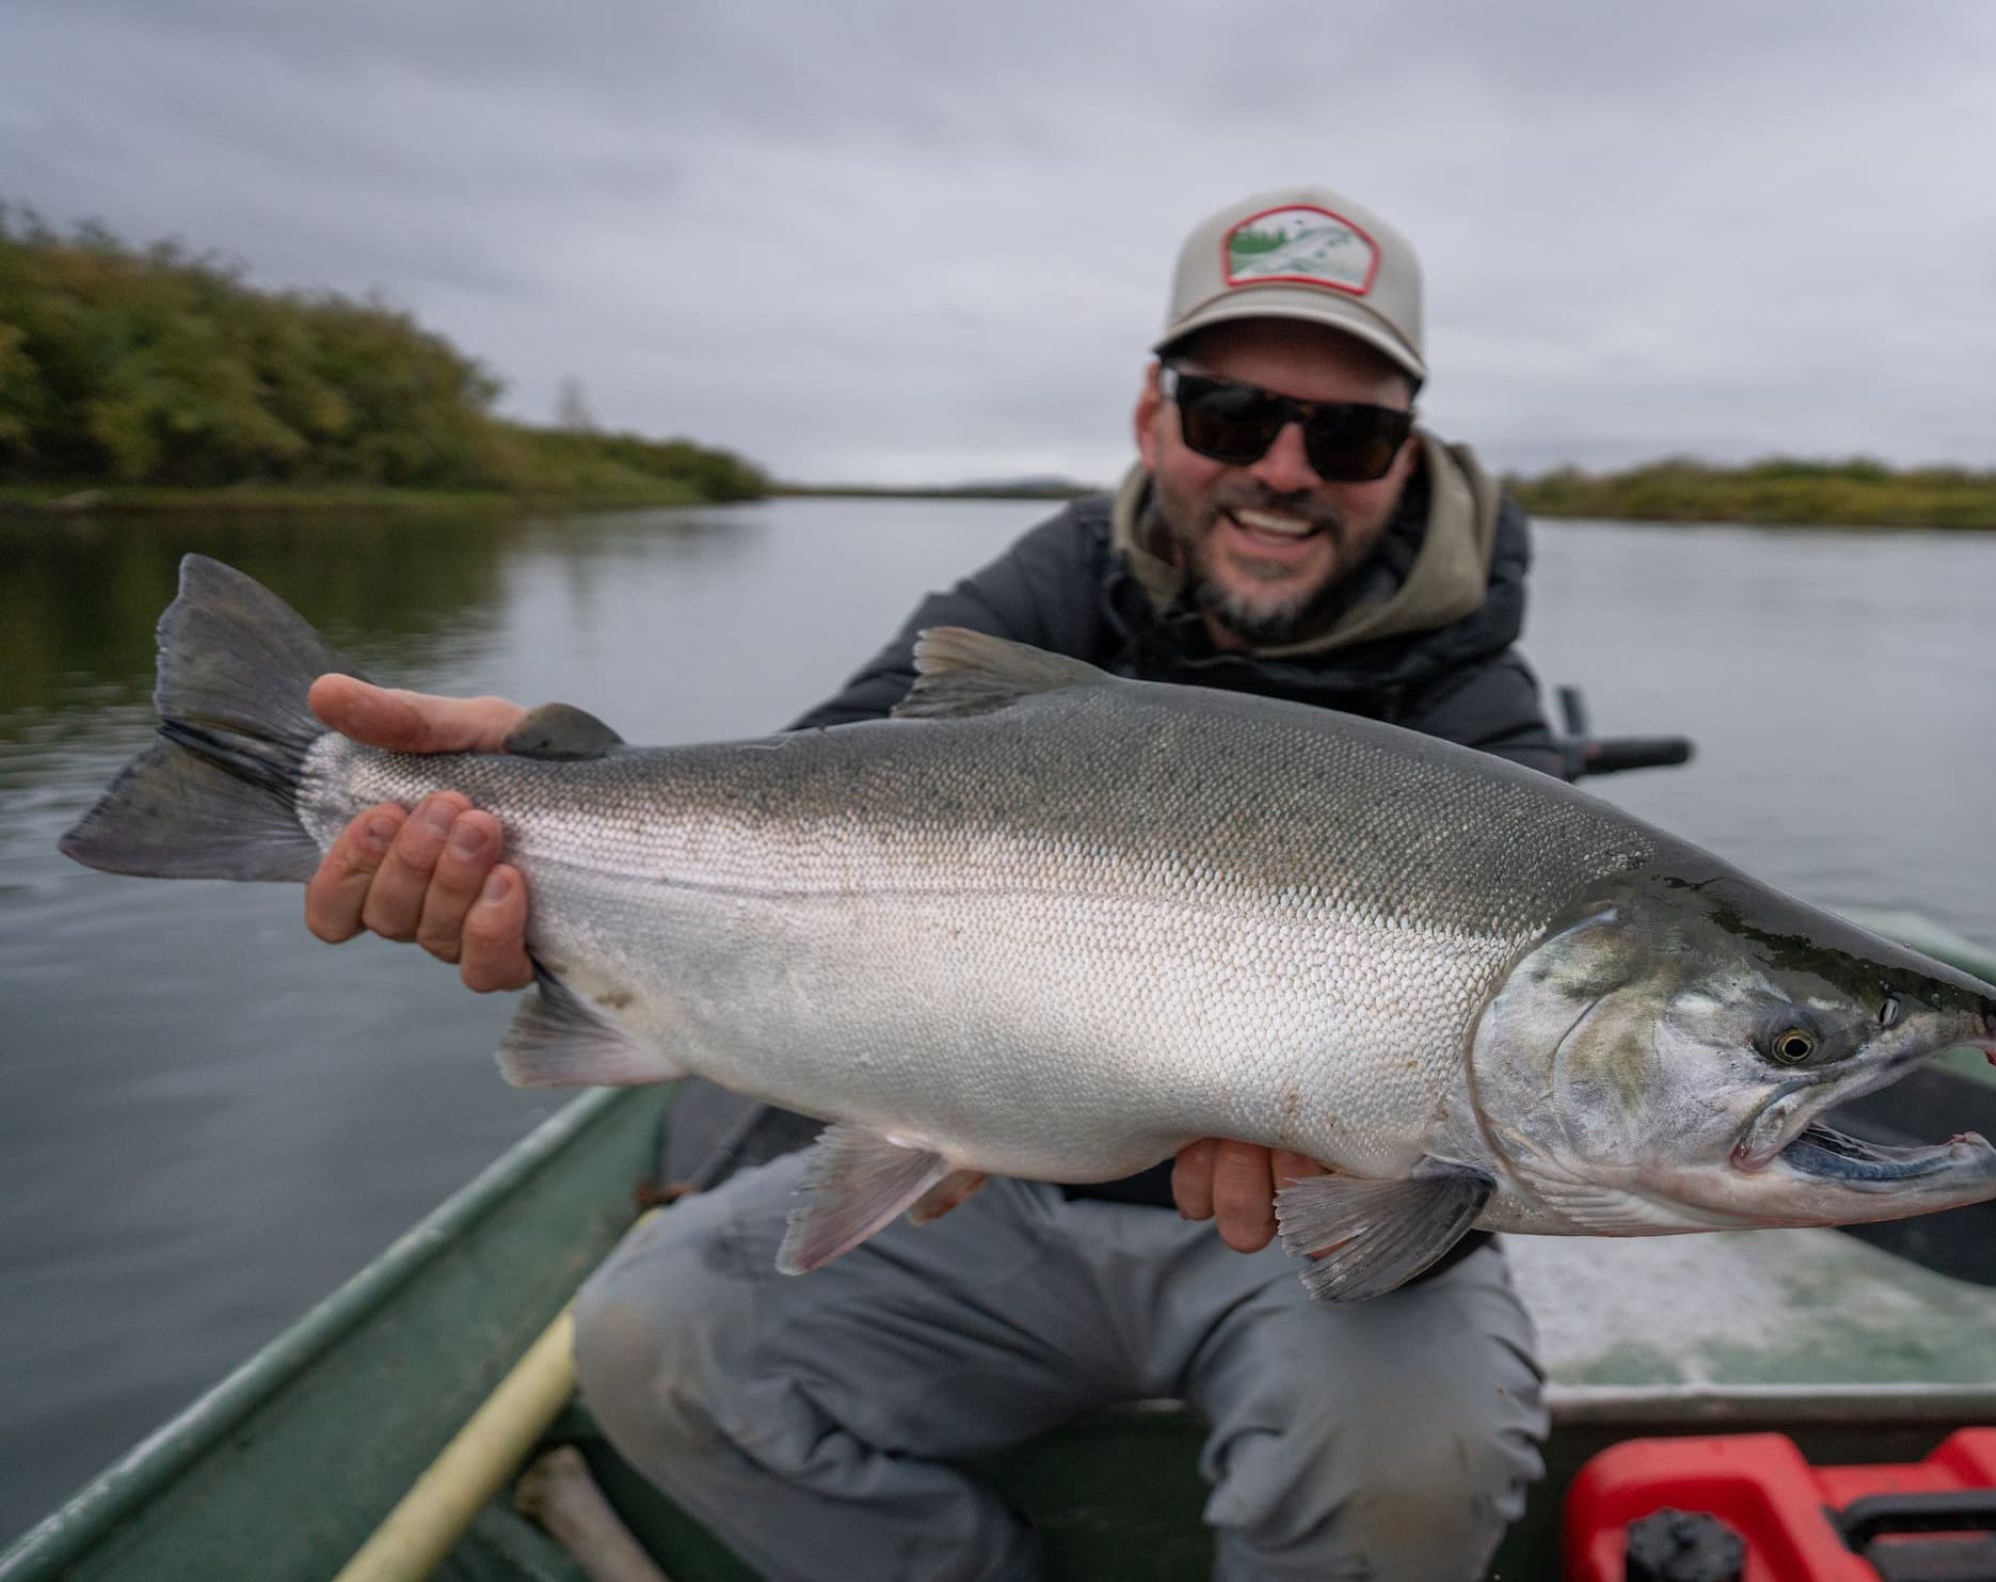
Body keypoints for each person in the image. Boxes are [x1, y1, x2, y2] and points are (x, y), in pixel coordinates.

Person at [300, 186, 1561, 1580]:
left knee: (1423, 1469)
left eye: (1350, 431)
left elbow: (1514, 1123)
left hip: (1314, 1246)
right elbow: (805, 804)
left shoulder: (1482, 713)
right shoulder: (1048, 585)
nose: (1282, 467)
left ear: (1409, 453)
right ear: (1153, 417)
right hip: (994, 1196)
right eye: (1227, 416)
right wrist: (533, 791)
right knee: (655, 1338)